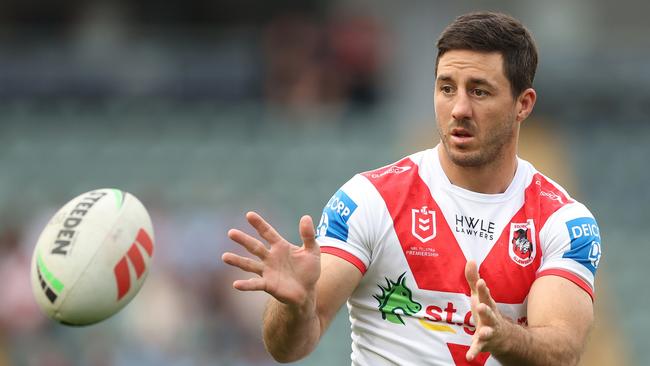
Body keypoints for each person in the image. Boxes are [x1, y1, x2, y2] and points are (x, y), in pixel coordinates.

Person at [222, 11, 601, 366]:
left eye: (480, 91)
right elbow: (289, 348)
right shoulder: (370, 200)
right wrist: (295, 306)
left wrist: (504, 337)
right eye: (447, 88)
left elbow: (562, 348)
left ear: (524, 104)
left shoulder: (562, 221)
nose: (459, 109)